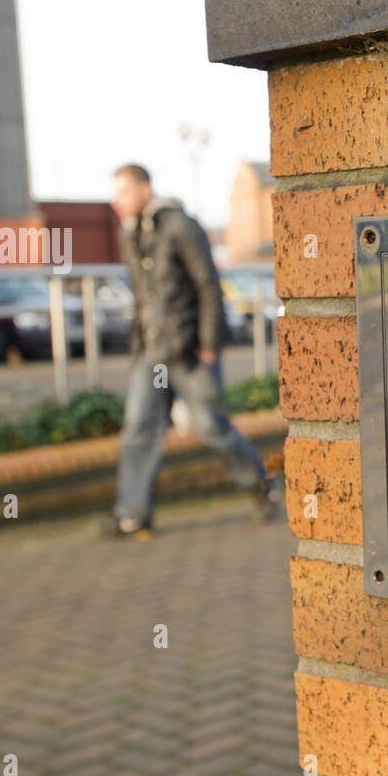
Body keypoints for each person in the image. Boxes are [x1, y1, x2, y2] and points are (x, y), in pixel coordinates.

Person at [98, 163, 278, 539]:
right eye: (115, 194)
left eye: (123, 192)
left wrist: (210, 344)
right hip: (151, 353)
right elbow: (143, 297)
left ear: (145, 189)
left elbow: (209, 285)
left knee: (212, 426)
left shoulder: (180, 225)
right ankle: (133, 515)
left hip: (190, 350)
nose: (117, 201)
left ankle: (259, 485)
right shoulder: (130, 231)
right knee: (138, 429)